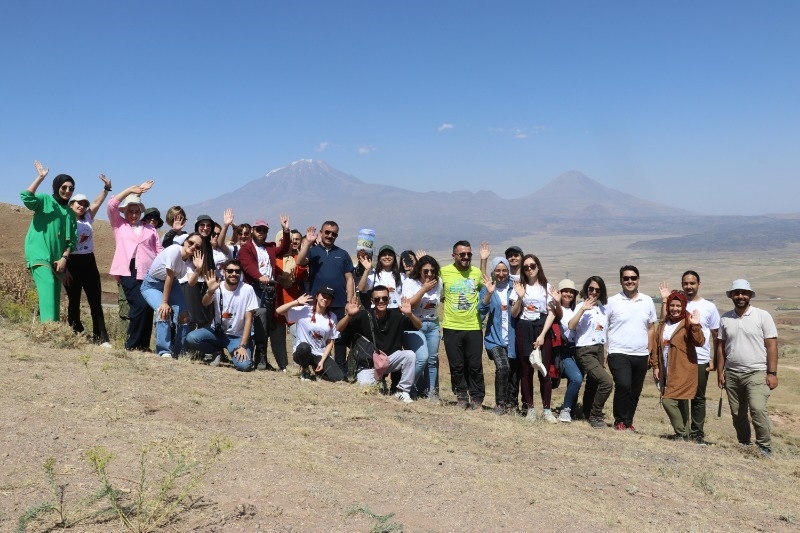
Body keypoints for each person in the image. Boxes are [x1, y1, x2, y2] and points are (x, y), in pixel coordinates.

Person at [716, 279, 779, 457]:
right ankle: (744, 444)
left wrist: (772, 373)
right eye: (736, 293)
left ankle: (764, 447)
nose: (740, 296)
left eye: (744, 293)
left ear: (750, 295)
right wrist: (720, 372)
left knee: (757, 409)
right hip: (732, 373)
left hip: (757, 372)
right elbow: (721, 347)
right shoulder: (726, 318)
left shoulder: (762, 316)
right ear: (731, 296)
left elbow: (772, 345)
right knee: (737, 413)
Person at [658, 271, 720, 443]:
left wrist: (714, 358)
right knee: (682, 396)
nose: (689, 286)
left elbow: (715, 335)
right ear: (682, 284)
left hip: (700, 359)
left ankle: (697, 432)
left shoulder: (709, 306)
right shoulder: (677, 303)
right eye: (686, 283)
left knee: (698, 397)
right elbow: (663, 323)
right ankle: (684, 431)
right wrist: (665, 300)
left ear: (699, 284)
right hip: (680, 359)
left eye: (692, 283)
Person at [336, 286, 420, 402]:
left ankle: (402, 391)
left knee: (410, 355)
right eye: (377, 299)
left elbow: (418, 326)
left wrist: (410, 314)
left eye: (384, 298)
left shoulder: (396, 315)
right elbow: (339, 328)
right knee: (365, 387)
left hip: (388, 361)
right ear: (372, 301)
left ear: (389, 300)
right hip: (369, 364)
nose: (381, 301)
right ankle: (380, 381)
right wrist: (349, 315)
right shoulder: (363, 315)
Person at [22, 160, 78, 323]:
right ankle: (49, 329)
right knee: (47, 282)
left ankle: (51, 330)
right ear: (56, 187)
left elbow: (72, 240)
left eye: (71, 188)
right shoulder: (45, 200)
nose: (67, 191)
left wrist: (64, 259)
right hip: (38, 252)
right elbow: (26, 197)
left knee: (53, 291)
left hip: (57, 259)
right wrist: (40, 177)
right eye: (64, 187)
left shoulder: (69, 212)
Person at [296, 221, 355, 375]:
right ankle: (310, 365)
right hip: (318, 303)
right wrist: (307, 243)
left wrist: (349, 302)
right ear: (321, 232)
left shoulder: (343, 254)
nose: (330, 236)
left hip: (339, 302)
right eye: (327, 232)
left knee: (339, 337)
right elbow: (299, 261)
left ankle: (340, 369)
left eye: (333, 234)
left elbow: (349, 279)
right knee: (317, 334)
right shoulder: (313, 251)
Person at [108, 181, 161, 351]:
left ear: (140, 212)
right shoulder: (119, 224)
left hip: (148, 270)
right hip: (127, 269)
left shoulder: (150, 229)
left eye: (136, 211)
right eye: (130, 211)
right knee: (138, 304)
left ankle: (144, 345)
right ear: (125, 212)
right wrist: (131, 189)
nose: (133, 214)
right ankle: (131, 344)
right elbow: (111, 204)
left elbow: (158, 250)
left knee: (147, 306)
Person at [606, 265, 657, 431]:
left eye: (633, 278)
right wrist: (605, 350)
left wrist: (650, 351)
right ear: (621, 280)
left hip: (641, 353)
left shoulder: (647, 301)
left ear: (638, 280)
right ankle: (619, 420)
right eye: (626, 278)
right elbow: (604, 327)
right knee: (623, 385)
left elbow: (650, 328)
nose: (630, 281)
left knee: (635, 390)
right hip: (618, 352)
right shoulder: (612, 302)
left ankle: (628, 422)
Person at [184, 259, 258, 370]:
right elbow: (205, 303)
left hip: (237, 336)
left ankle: (240, 352)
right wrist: (210, 291)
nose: (234, 274)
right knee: (191, 338)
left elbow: (249, 320)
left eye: (237, 271)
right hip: (216, 332)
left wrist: (242, 345)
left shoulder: (248, 289)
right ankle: (215, 351)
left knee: (244, 366)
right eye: (230, 271)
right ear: (224, 272)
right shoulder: (218, 287)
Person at [65, 174, 113, 346]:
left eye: (84, 204)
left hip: (89, 262)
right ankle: (75, 332)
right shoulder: (64, 219)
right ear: (71, 204)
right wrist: (64, 269)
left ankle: (101, 337)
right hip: (71, 262)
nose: (82, 206)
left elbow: (96, 203)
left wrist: (106, 189)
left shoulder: (87, 218)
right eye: (79, 203)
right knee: (74, 300)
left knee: (95, 301)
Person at [650, 291, 704, 440]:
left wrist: (695, 325)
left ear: (684, 306)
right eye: (672, 305)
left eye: (678, 306)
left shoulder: (688, 321)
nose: (675, 308)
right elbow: (656, 345)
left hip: (683, 368)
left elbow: (700, 342)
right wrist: (656, 366)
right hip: (667, 366)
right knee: (681, 402)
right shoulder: (664, 323)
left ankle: (680, 432)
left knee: (668, 400)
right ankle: (686, 434)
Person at [239, 215, 291, 370]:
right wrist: (259, 276)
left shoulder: (269, 247)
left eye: (264, 230)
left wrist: (286, 231)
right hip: (254, 288)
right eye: (259, 229)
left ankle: (261, 357)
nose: (261, 232)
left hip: (268, 290)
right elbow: (248, 266)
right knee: (257, 321)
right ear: (253, 230)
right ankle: (248, 353)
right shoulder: (246, 249)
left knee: (265, 324)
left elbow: (283, 249)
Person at [140, 233, 204, 357]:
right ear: (185, 241)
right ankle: (164, 351)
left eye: (197, 247)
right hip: (152, 284)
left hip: (172, 284)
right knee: (163, 311)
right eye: (191, 243)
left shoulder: (191, 261)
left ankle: (180, 351)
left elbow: (191, 282)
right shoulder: (174, 251)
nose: (192, 247)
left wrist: (198, 269)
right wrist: (164, 302)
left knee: (184, 315)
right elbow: (169, 276)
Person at [511, 254, 558, 422]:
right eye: (526, 267)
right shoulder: (519, 286)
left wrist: (542, 335)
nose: (529, 269)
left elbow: (552, 312)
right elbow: (514, 313)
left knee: (544, 371)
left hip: (542, 327)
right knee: (526, 371)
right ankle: (530, 408)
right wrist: (520, 297)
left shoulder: (547, 287)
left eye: (532, 266)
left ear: (539, 267)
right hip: (524, 327)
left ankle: (547, 410)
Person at [440, 240, 486, 410]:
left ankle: (477, 397)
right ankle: (461, 395)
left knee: (474, 364)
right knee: (456, 364)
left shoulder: (476, 272)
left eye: (469, 254)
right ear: (454, 256)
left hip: (473, 326)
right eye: (462, 254)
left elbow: (485, 287)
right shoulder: (444, 272)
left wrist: (484, 261)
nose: (466, 257)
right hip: (451, 326)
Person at [275, 286, 344, 382]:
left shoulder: (332, 317)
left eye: (328, 298)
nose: (325, 299)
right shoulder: (305, 310)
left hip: (319, 353)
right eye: (323, 296)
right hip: (302, 352)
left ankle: (318, 370)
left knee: (338, 378)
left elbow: (330, 342)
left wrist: (322, 360)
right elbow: (279, 310)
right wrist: (297, 302)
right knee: (304, 348)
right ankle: (305, 369)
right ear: (317, 296)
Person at [570, 276, 612, 429]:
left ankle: (587, 412)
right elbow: (571, 325)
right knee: (606, 382)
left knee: (593, 384)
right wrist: (582, 309)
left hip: (599, 349)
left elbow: (603, 332)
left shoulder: (603, 309)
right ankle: (595, 414)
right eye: (591, 289)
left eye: (597, 290)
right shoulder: (580, 306)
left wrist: (605, 351)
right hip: (585, 350)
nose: (593, 292)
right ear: (586, 289)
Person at [479, 257, 518, 415]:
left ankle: (512, 404)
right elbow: (481, 311)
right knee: (503, 367)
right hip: (494, 339)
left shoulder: (514, 287)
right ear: (493, 272)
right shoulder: (488, 287)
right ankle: (500, 404)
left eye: (504, 270)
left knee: (514, 373)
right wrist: (489, 293)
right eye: (498, 270)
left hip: (513, 339)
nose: (501, 274)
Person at [402, 255, 442, 399]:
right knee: (421, 358)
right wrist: (423, 290)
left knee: (432, 360)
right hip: (414, 324)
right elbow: (408, 304)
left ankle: (431, 393)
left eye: (432, 271)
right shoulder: (410, 282)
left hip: (433, 325)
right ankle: (406, 386)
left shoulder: (439, 283)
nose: (429, 274)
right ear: (419, 271)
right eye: (426, 271)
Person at [554, 279, 584, 423]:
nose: (568, 294)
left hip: (577, 349)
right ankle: (565, 410)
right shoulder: (555, 309)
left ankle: (571, 411)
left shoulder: (576, 310)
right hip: (563, 350)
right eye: (565, 291)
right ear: (559, 293)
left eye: (571, 292)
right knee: (576, 378)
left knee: (577, 380)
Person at [275, 229, 309, 352]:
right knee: (278, 337)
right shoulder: (273, 258)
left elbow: (301, 274)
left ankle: (298, 364)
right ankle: (282, 365)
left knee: (296, 334)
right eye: (282, 241)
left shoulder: (297, 259)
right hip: (277, 301)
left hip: (294, 302)